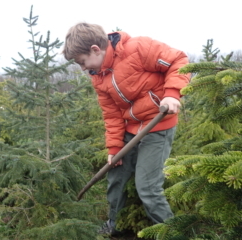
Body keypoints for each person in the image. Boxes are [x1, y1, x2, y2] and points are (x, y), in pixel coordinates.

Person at [62, 23, 190, 236]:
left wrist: (172, 93)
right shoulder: (98, 76)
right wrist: (114, 148)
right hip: (131, 128)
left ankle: (172, 233)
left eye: (82, 62)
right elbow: (111, 115)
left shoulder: (137, 48)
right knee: (116, 176)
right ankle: (115, 225)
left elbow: (179, 60)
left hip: (157, 124)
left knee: (147, 187)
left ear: (95, 49)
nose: (83, 68)